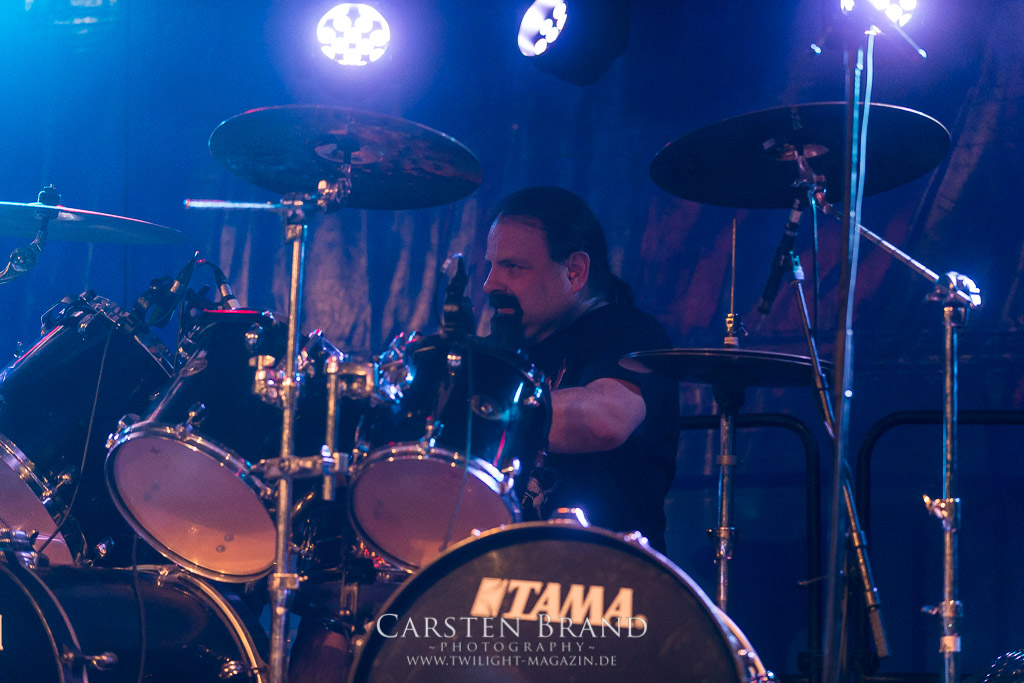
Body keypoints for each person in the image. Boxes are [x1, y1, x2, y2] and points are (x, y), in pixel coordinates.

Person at [483, 186, 679, 553]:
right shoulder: (507, 348)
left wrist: (483, 409)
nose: (490, 284)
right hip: (506, 569)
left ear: (575, 271)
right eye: (491, 265)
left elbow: (606, 420)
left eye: (513, 267)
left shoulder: (626, 330)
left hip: (608, 573)